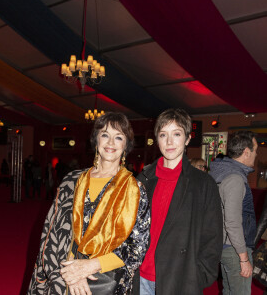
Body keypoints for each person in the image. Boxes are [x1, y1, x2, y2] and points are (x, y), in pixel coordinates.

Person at [27, 112, 150, 295]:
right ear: (96, 140)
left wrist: (90, 266)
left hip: (107, 281)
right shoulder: (72, 181)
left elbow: (137, 248)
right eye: (105, 135)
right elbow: (52, 232)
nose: (110, 143)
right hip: (64, 274)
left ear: (126, 145)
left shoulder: (135, 190)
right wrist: (72, 272)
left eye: (118, 137)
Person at [134, 108, 223, 295]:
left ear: (188, 139)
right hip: (140, 277)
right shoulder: (143, 179)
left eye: (176, 134)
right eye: (163, 134)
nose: (169, 142)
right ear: (156, 139)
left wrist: (199, 275)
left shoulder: (203, 183)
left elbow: (212, 237)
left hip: (180, 279)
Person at [210, 130, 258, 295]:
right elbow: (232, 222)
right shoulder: (235, 178)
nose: (256, 154)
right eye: (255, 150)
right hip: (234, 248)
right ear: (246, 152)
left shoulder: (223, 172)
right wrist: (243, 257)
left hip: (225, 245)